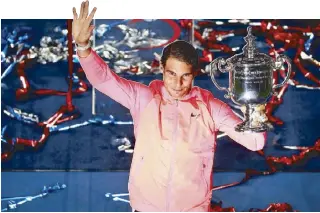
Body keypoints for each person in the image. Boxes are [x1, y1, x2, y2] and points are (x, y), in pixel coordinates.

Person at [72, 1, 267, 211]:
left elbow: (255, 142)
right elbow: (103, 80)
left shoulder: (211, 108)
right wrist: (83, 48)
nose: (177, 84)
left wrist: (256, 110)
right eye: (172, 74)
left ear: (194, 75)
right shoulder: (143, 98)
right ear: (162, 69)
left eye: (185, 76)